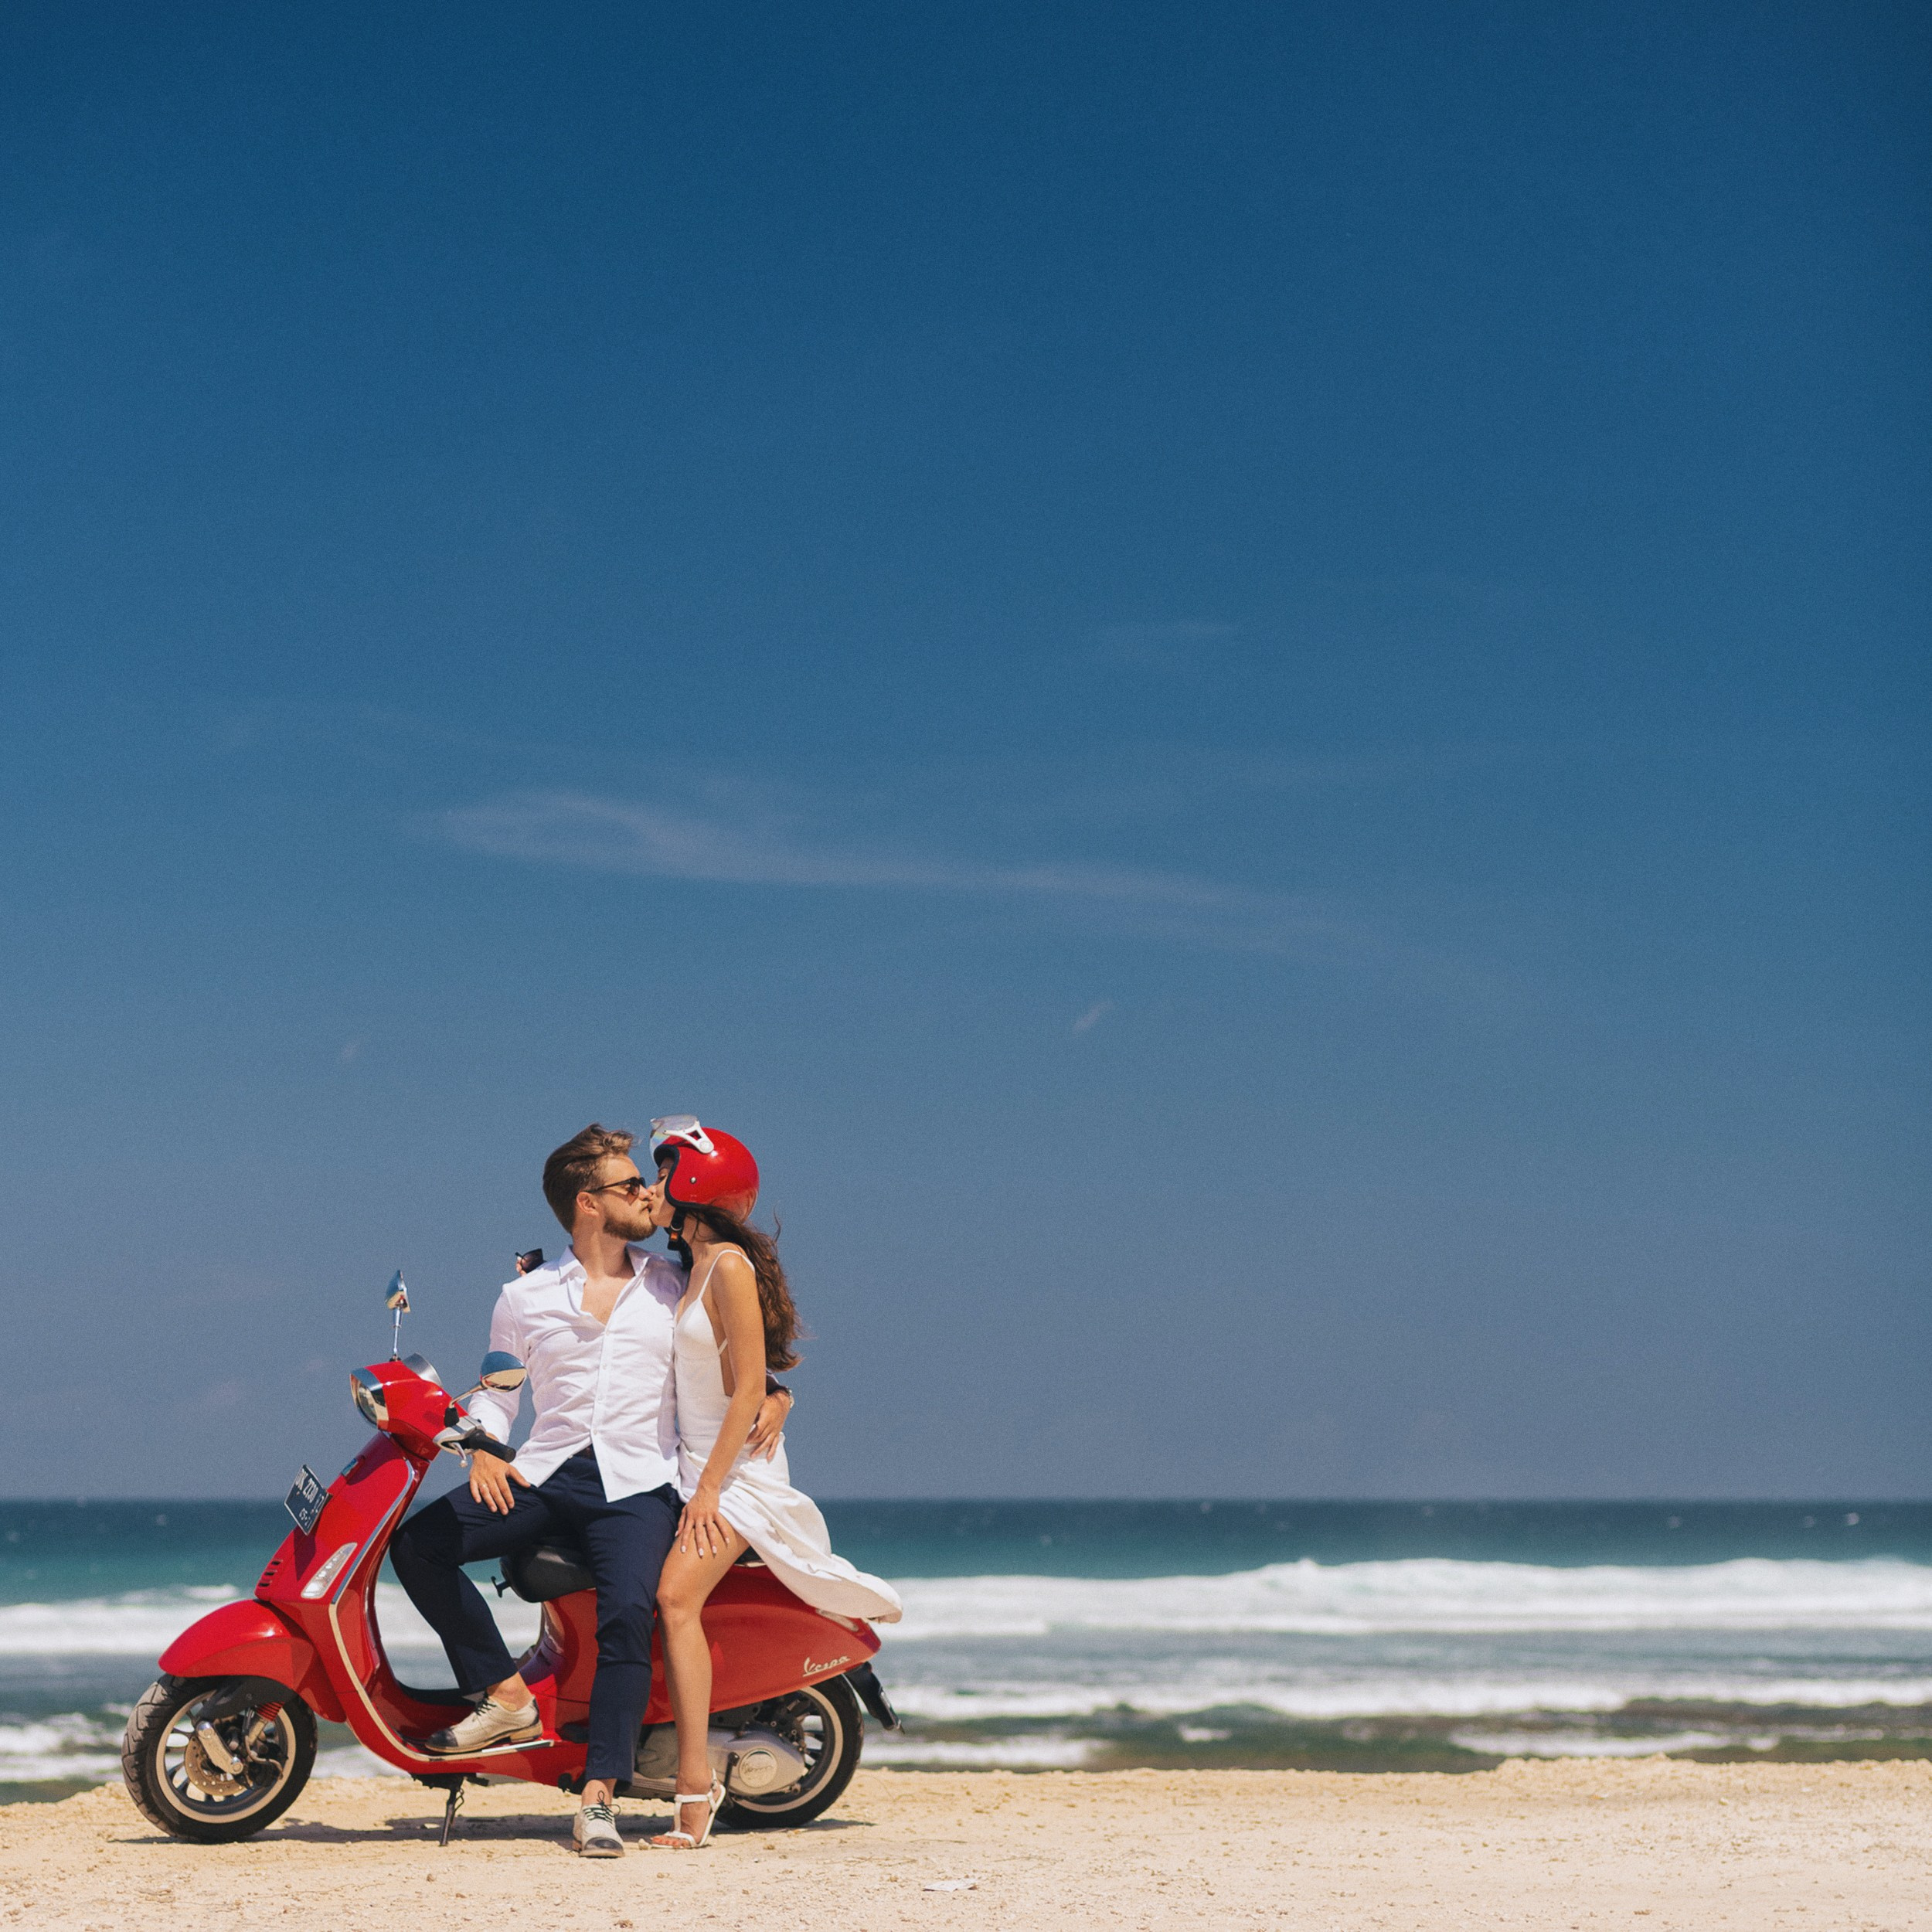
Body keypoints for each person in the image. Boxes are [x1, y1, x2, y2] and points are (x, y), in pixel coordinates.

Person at [388, 1123, 792, 1858]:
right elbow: (498, 1393)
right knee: (418, 1545)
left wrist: (777, 1395)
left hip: (639, 1481)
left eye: (646, 1181)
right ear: (588, 1203)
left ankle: (601, 1795)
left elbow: (726, 1355)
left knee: (629, 1614)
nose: (647, 1192)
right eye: (631, 1184)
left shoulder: (674, 1279)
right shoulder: (524, 1294)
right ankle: (505, 1696)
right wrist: (480, 1447)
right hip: (545, 1469)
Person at [639, 1116, 901, 1851]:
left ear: (694, 1187)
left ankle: (694, 1794)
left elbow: (751, 1383)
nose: (652, 1188)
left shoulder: (728, 1267)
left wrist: (710, 1490)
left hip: (733, 1477)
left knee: (674, 1597)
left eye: (662, 1174)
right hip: (695, 1466)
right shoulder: (690, 1268)